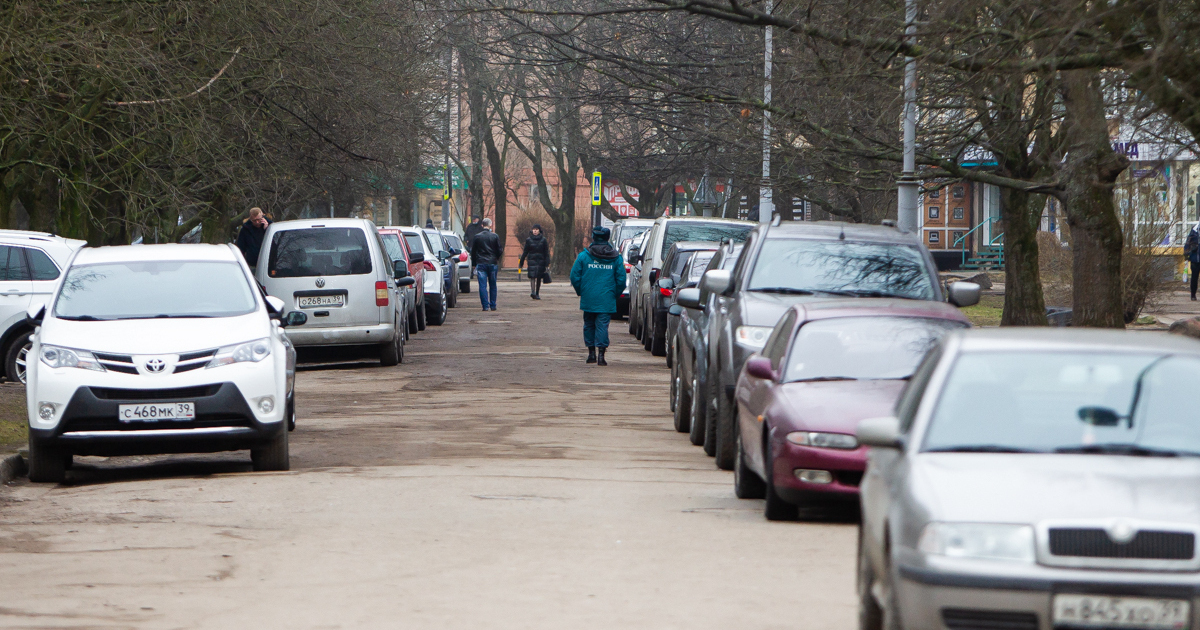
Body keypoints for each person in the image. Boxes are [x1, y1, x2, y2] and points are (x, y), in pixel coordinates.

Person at [570, 226, 626, 366]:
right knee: (602, 326)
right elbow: (621, 280)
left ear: (593, 238)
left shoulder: (584, 256)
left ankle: (591, 354)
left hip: (589, 297)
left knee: (589, 324)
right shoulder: (615, 258)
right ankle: (601, 355)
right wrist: (615, 294)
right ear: (607, 238)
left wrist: (581, 290)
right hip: (606, 298)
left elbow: (574, 276)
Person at [470, 218, 503, 311]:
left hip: (481, 263)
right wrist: (496, 258)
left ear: (482, 225)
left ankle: (485, 306)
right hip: (492, 263)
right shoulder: (495, 236)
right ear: (490, 225)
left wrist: (474, 263)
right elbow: (499, 250)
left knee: (482, 285)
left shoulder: (477, 237)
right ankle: (493, 305)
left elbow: (473, 251)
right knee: (493, 284)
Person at [518, 224, 550, 300]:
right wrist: (521, 261)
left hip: (540, 260)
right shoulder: (529, 240)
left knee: (538, 277)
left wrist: (547, 263)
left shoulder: (543, 240)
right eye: (534, 229)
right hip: (532, 260)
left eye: (536, 229)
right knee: (532, 276)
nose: (535, 231)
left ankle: (537, 293)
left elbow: (546, 252)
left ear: (539, 230)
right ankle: (533, 292)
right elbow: (525, 251)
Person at [1187, 220, 1200, 301]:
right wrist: (1186, 254)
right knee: (1194, 278)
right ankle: (1193, 294)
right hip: (1195, 258)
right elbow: (1188, 243)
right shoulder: (1194, 231)